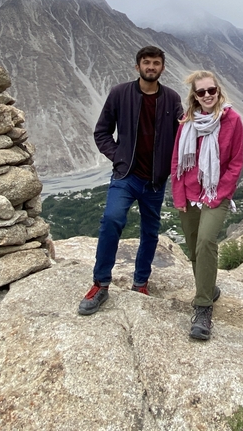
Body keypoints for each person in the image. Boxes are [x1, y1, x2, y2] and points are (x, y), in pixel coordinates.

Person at [78, 46, 183, 315]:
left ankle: (141, 283)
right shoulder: (120, 93)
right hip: (126, 176)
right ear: (137, 67)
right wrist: (119, 157)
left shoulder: (171, 99)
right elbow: (101, 132)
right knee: (112, 220)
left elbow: (182, 135)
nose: (151, 67)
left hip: (155, 181)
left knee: (149, 232)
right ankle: (100, 284)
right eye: (146, 63)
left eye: (156, 63)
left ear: (162, 67)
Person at [171, 70, 243, 340]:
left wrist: (219, 194)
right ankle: (209, 287)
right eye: (201, 92)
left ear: (218, 91)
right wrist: (179, 196)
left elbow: (236, 162)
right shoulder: (187, 123)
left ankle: (203, 307)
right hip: (189, 193)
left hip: (216, 194)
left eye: (211, 91)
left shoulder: (233, 120)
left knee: (205, 241)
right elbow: (178, 162)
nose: (207, 96)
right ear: (194, 96)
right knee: (193, 248)